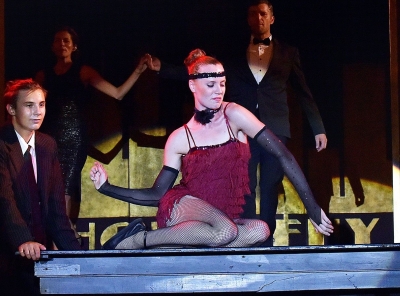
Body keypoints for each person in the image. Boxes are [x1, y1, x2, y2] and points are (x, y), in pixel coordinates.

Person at [89, 49, 333, 251]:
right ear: (193, 85)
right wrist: (107, 188)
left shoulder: (234, 114)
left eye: (222, 84)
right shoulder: (180, 137)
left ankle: (186, 244)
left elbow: (282, 154)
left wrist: (312, 207)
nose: (218, 90)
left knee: (261, 230)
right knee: (226, 231)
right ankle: (137, 240)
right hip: (184, 208)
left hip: (221, 218)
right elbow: (157, 194)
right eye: (210, 84)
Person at [146, 0, 328, 246]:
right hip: (238, 129)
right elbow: (201, 75)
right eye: (253, 14)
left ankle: (266, 241)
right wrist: (163, 68)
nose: (258, 18)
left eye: (263, 13)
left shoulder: (288, 52)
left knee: (270, 184)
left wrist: (318, 128)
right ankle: (246, 240)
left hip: (275, 126)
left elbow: (303, 91)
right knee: (245, 185)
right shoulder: (233, 52)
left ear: (272, 18)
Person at [35, 26, 150, 237]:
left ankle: (62, 240)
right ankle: (60, 236)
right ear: (52, 46)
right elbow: (32, 104)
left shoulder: (83, 71)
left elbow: (117, 93)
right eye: (58, 40)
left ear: (74, 46)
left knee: (66, 187)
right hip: (48, 137)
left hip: (74, 138)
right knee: (48, 188)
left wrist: (138, 71)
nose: (62, 44)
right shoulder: (43, 76)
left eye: (66, 40)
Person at [0, 79, 82, 296]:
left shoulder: (47, 144)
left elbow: (56, 210)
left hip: (36, 254)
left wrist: (77, 256)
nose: (37, 112)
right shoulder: (2, 144)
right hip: (7, 251)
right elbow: (4, 200)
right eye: (29, 105)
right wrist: (23, 240)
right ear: (11, 109)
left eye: (42, 104)